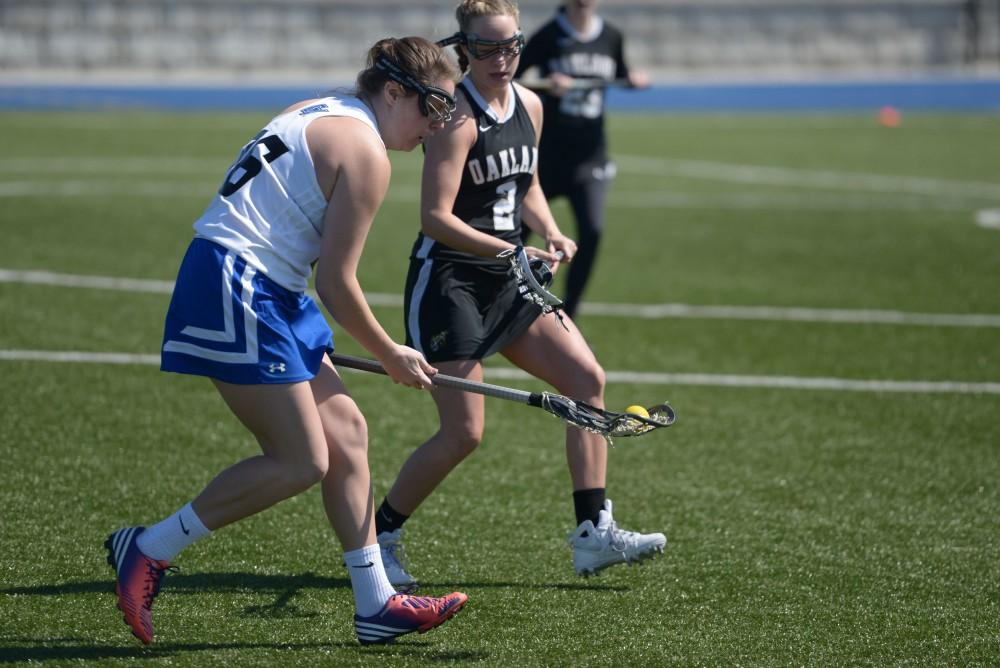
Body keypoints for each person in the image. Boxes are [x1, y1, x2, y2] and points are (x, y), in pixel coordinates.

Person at [104, 37, 468, 647]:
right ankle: (147, 547)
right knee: (301, 460)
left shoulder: (324, 106)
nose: (433, 130)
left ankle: (376, 605)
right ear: (394, 92)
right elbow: (337, 282)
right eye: (429, 111)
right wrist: (390, 353)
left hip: (269, 285)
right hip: (238, 283)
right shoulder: (367, 152)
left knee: (347, 433)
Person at [369, 0, 666, 591]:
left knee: (587, 380)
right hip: (451, 283)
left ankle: (592, 534)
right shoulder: (454, 118)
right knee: (464, 434)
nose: (501, 59)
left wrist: (550, 230)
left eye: (511, 46)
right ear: (464, 48)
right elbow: (434, 217)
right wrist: (509, 250)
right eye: (486, 48)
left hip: (509, 274)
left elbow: (524, 181)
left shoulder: (530, 103)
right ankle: (380, 538)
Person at [514, 0, 650, 318]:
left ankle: (570, 308)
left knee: (592, 230)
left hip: (591, 159)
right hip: (547, 158)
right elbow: (511, 79)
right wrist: (548, 88)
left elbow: (619, 73)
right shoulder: (549, 35)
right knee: (517, 233)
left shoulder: (611, 36)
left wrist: (632, 79)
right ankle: (508, 296)